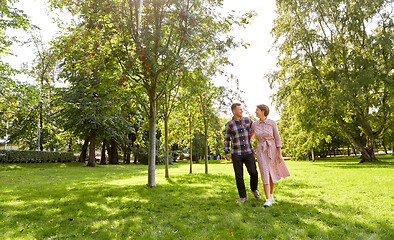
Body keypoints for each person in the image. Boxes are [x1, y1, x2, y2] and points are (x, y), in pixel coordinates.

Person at [252, 104, 290, 207]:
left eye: (257, 110)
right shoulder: (254, 124)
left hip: (272, 149)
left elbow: (278, 138)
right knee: (264, 173)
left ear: (263, 111)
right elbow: (250, 136)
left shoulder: (272, 123)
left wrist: (280, 153)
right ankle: (267, 199)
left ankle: (271, 194)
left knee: (271, 172)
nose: (255, 112)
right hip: (261, 150)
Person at [224, 103, 261, 203]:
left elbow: (254, 129)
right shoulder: (229, 124)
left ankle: (254, 189)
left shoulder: (248, 120)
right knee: (239, 175)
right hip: (236, 153)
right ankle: (243, 197)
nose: (241, 111)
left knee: (254, 172)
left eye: (242, 109)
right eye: (239, 109)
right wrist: (226, 152)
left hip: (248, 151)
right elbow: (227, 139)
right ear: (234, 111)